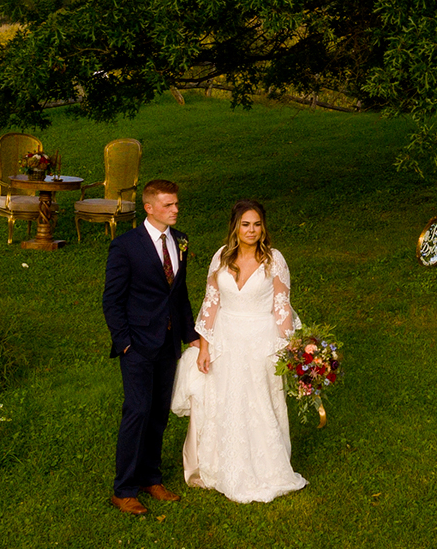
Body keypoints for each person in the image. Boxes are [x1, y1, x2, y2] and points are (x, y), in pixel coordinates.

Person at [172, 199, 309, 503]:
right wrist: (204, 346)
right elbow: (210, 304)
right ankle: (222, 465)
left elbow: (281, 308)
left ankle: (268, 467)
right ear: (235, 226)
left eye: (257, 224)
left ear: (264, 228)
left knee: (260, 402)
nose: (252, 230)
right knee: (226, 401)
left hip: (261, 340)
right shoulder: (221, 257)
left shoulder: (275, 261)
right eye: (246, 224)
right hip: (225, 339)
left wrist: (292, 348)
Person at [101, 178, 197, 516]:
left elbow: (180, 295)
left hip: (168, 344)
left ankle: (150, 477)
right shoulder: (126, 246)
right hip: (138, 345)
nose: (175, 209)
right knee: (137, 411)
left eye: (176, 203)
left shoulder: (181, 241)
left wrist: (192, 335)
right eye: (168, 205)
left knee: (158, 413)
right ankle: (123, 489)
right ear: (149, 207)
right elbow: (112, 300)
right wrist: (125, 343)